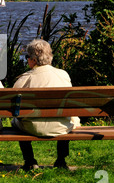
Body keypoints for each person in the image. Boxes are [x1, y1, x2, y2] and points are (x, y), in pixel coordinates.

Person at [12, 39, 80, 170]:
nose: (27, 60)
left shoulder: (25, 79)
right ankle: (61, 160)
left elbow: (14, 106)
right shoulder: (63, 75)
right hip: (61, 126)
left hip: (32, 127)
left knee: (15, 121)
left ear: (34, 60)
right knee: (69, 119)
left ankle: (30, 161)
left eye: (27, 57)